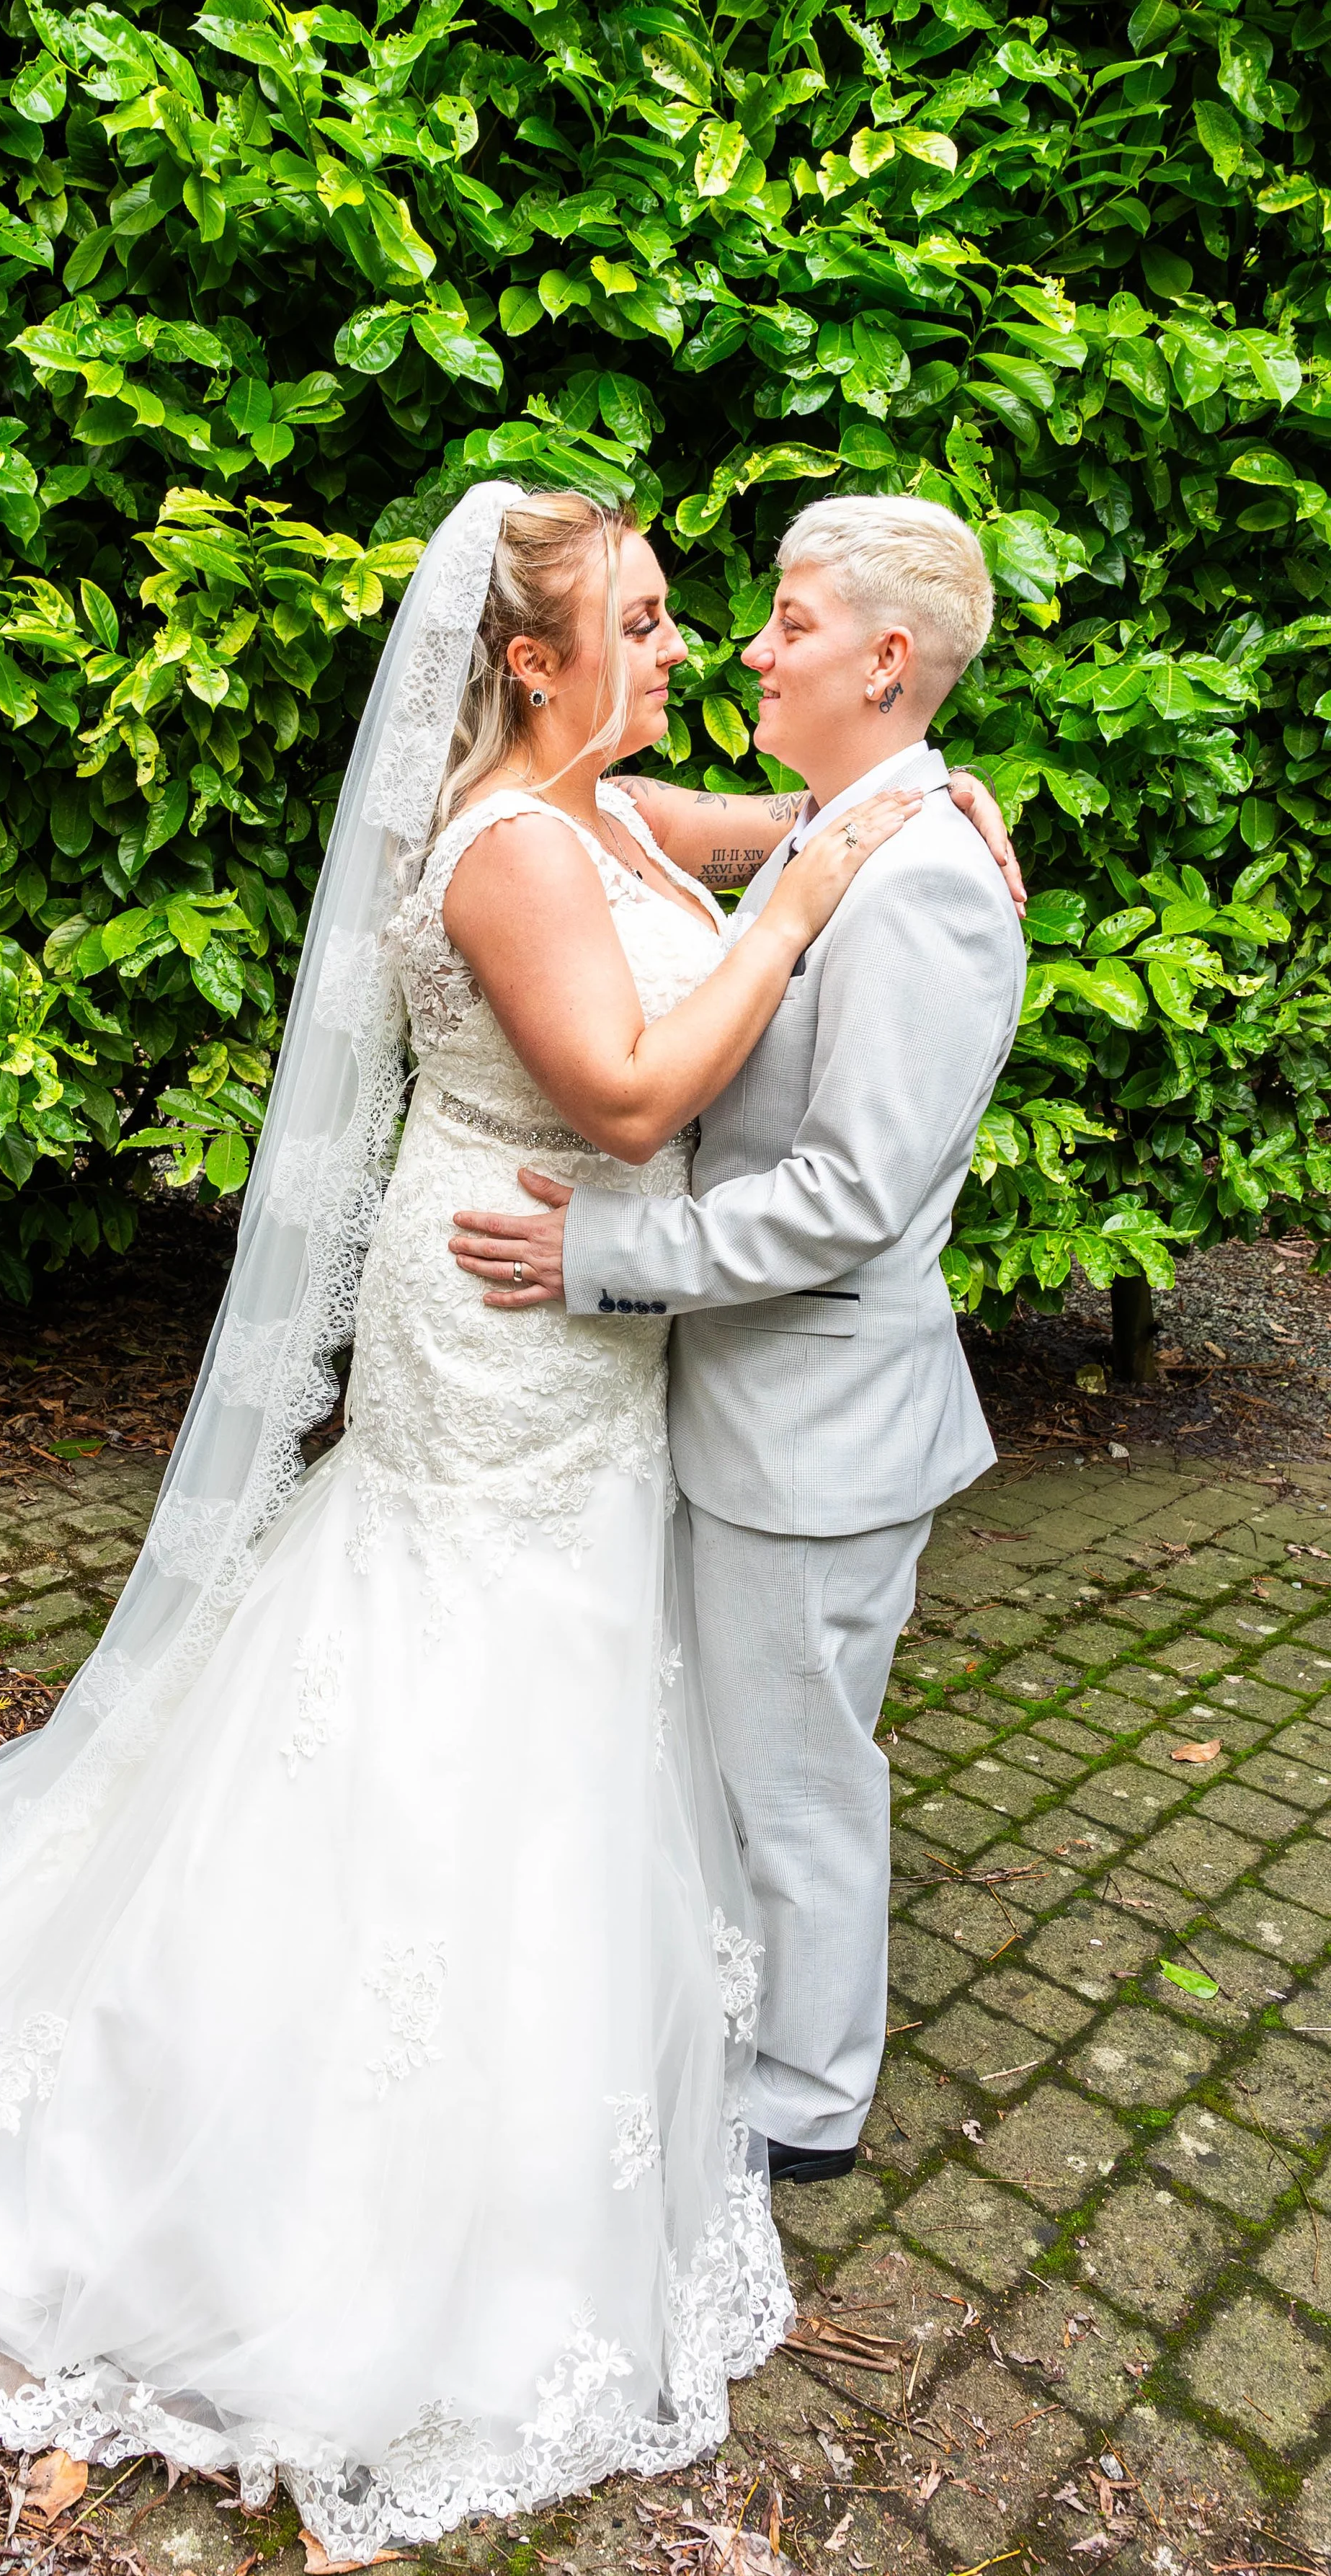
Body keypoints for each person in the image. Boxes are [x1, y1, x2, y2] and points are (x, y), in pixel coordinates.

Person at [0, 485, 1018, 2564]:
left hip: (579, 1321)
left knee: (575, 1658)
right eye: (653, 620)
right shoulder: (506, 840)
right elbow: (619, 1094)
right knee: (447, 1646)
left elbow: (756, 833)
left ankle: (604, 2039)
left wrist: (899, 813)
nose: (686, 651)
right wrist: (803, 895)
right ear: (527, 660)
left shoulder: (603, 801)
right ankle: (344, 2105)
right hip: (512, 1286)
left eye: (709, 615)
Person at [448, 493, 1028, 2188]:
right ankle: (749, 2017)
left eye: (785, 620)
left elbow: (845, 1198)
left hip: (817, 1423)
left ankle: (804, 2095)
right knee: (748, 1748)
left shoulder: (919, 886)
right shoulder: (841, 821)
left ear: (886, 658)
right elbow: (668, 825)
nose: (747, 647)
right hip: (749, 1403)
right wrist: (911, 774)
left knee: (796, 1772)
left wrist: (604, 1255)